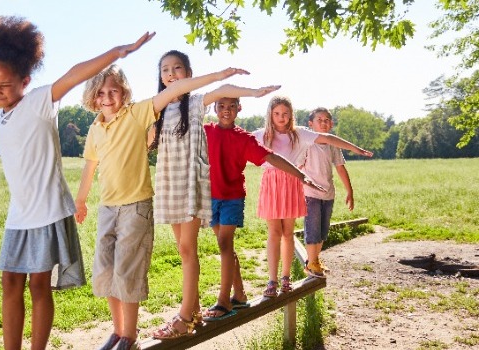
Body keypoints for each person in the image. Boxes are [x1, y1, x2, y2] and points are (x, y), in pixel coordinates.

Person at [0, 15, 155, 350]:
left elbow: (75, 74)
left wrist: (119, 51)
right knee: (9, 283)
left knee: (39, 287)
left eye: (4, 86)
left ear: (25, 80)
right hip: (19, 214)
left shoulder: (39, 102)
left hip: (46, 212)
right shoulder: (2, 115)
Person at [74, 63, 257, 350]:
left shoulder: (137, 114)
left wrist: (220, 75)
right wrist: (81, 199)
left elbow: (177, 89)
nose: (107, 97)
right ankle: (117, 330)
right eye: (101, 92)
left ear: (124, 92)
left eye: (114, 90)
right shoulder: (95, 129)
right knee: (105, 271)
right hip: (108, 208)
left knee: (128, 271)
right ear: (93, 97)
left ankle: (129, 336)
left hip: (136, 206)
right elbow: (90, 165)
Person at [148, 50, 280, 339]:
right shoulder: (157, 110)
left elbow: (222, 90)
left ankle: (185, 317)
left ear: (188, 73)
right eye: (165, 69)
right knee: (181, 249)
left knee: (188, 248)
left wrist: (254, 91)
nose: (171, 73)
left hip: (191, 184)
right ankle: (193, 311)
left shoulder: (194, 104)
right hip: (169, 184)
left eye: (177, 68)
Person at [202, 97, 325, 321]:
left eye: (231, 106)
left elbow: (273, 157)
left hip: (232, 198)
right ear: (213, 108)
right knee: (225, 246)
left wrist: (302, 176)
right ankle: (239, 295)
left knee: (224, 244)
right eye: (221, 106)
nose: (226, 111)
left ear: (239, 108)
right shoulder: (206, 130)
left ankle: (224, 301)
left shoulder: (244, 138)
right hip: (210, 197)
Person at [251, 96, 373, 298]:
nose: (281, 118)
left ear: (291, 115)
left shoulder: (299, 134)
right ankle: (271, 280)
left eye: (285, 114)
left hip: (291, 183)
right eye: (277, 114)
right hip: (271, 183)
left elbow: (329, 139)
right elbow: (236, 142)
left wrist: (355, 148)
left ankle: (285, 278)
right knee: (274, 232)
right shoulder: (261, 135)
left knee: (288, 233)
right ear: (270, 115)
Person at [301, 107, 355, 278]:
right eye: (319, 120)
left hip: (328, 194)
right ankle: (310, 264)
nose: (323, 123)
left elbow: (340, 168)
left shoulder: (333, 144)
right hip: (310, 193)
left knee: (323, 231)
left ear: (331, 124)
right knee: (312, 229)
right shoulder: (307, 143)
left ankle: (315, 259)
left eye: (326, 120)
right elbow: (297, 165)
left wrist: (349, 191)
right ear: (311, 124)